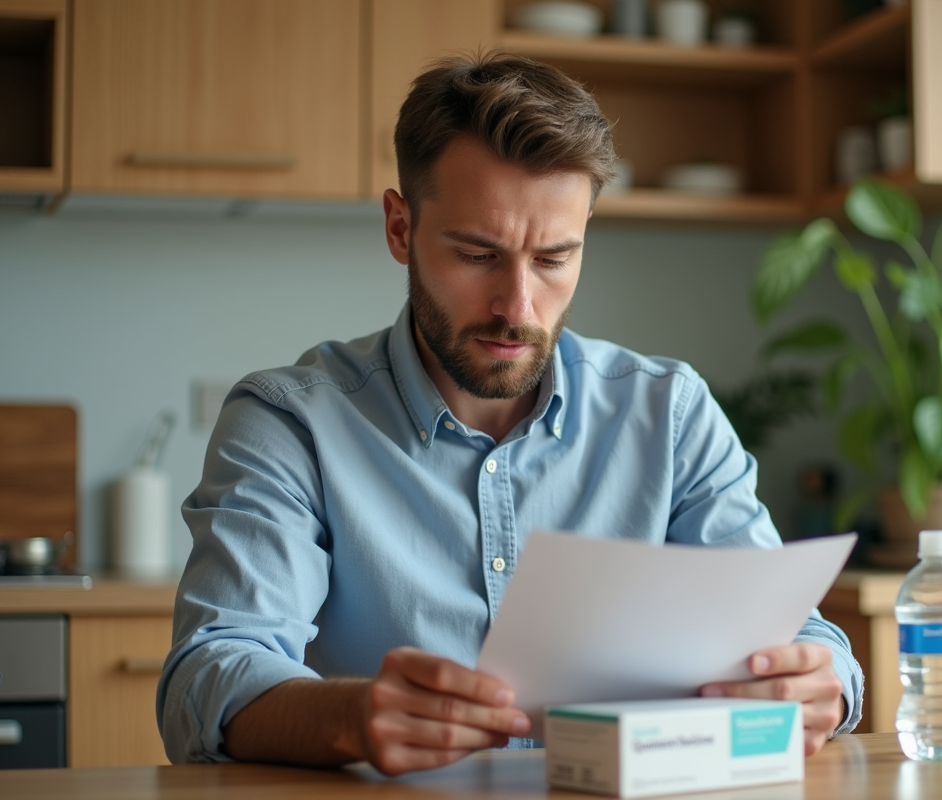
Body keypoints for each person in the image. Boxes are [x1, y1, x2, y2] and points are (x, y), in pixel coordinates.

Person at [157, 52, 863, 776]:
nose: (517, 307)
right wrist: (348, 719)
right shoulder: (292, 425)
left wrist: (822, 686)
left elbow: (798, 635)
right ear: (400, 229)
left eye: (554, 259)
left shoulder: (670, 414)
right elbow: (211, 669)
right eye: (477, 253)